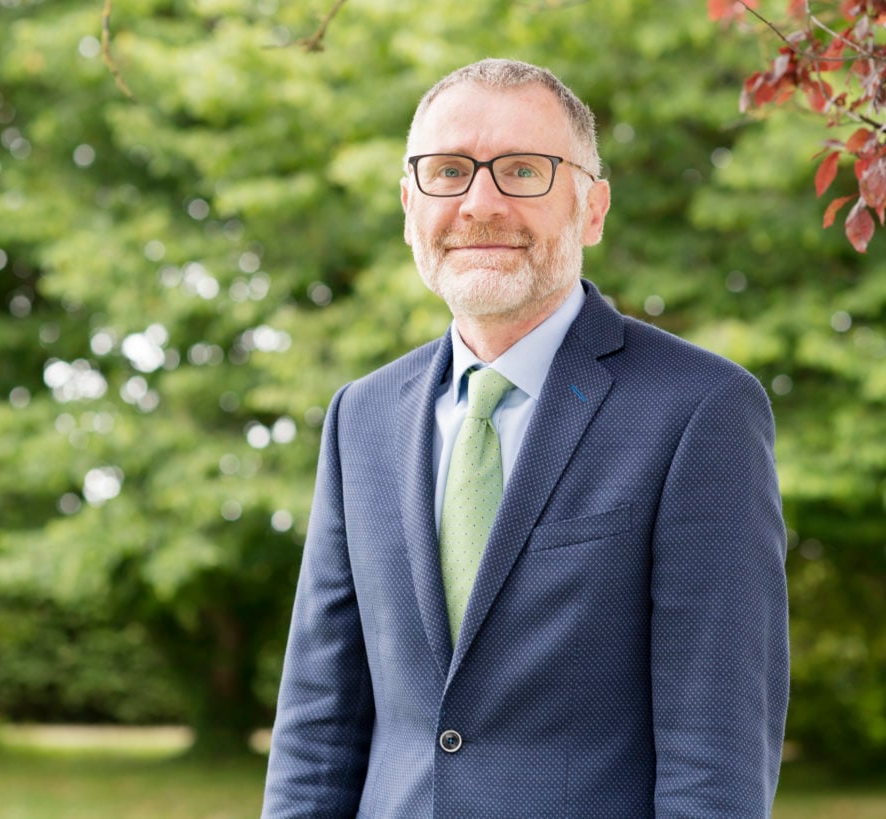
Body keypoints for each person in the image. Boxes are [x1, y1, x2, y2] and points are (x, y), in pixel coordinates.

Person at [262, 58, 789, 818]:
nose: (480, 204)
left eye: (522, 170)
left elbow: (715, 760)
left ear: (593, 207)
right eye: (448, 171)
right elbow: (316, 733)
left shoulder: (702, 410)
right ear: (410, 204)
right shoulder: (361, 416)